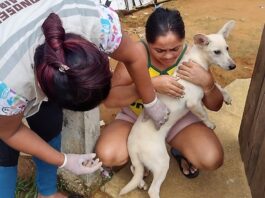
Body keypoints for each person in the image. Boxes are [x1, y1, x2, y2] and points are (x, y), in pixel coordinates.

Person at [0, 1, 170, 197]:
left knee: (50, 124)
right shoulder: (8, 85)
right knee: (4, 152)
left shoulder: (95, 22)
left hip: (28, 34)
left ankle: (47, 192)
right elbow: (10, 132)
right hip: (6, 55)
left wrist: (151, 101)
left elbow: (135, 55)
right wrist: (63, 160)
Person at [96, 7, 224, 179]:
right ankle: (144, 156)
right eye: (160, 50)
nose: (168, 56)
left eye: (175, 48)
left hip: (178, 119)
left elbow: (215, 105)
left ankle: (178, 148)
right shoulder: (136, 54)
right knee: (108, 155)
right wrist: (149, 86)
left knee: (211, 158)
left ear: (184, 41)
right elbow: (110, 100)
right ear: (147, 42)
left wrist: (208, 84)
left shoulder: (193, 58)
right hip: (137, 117)